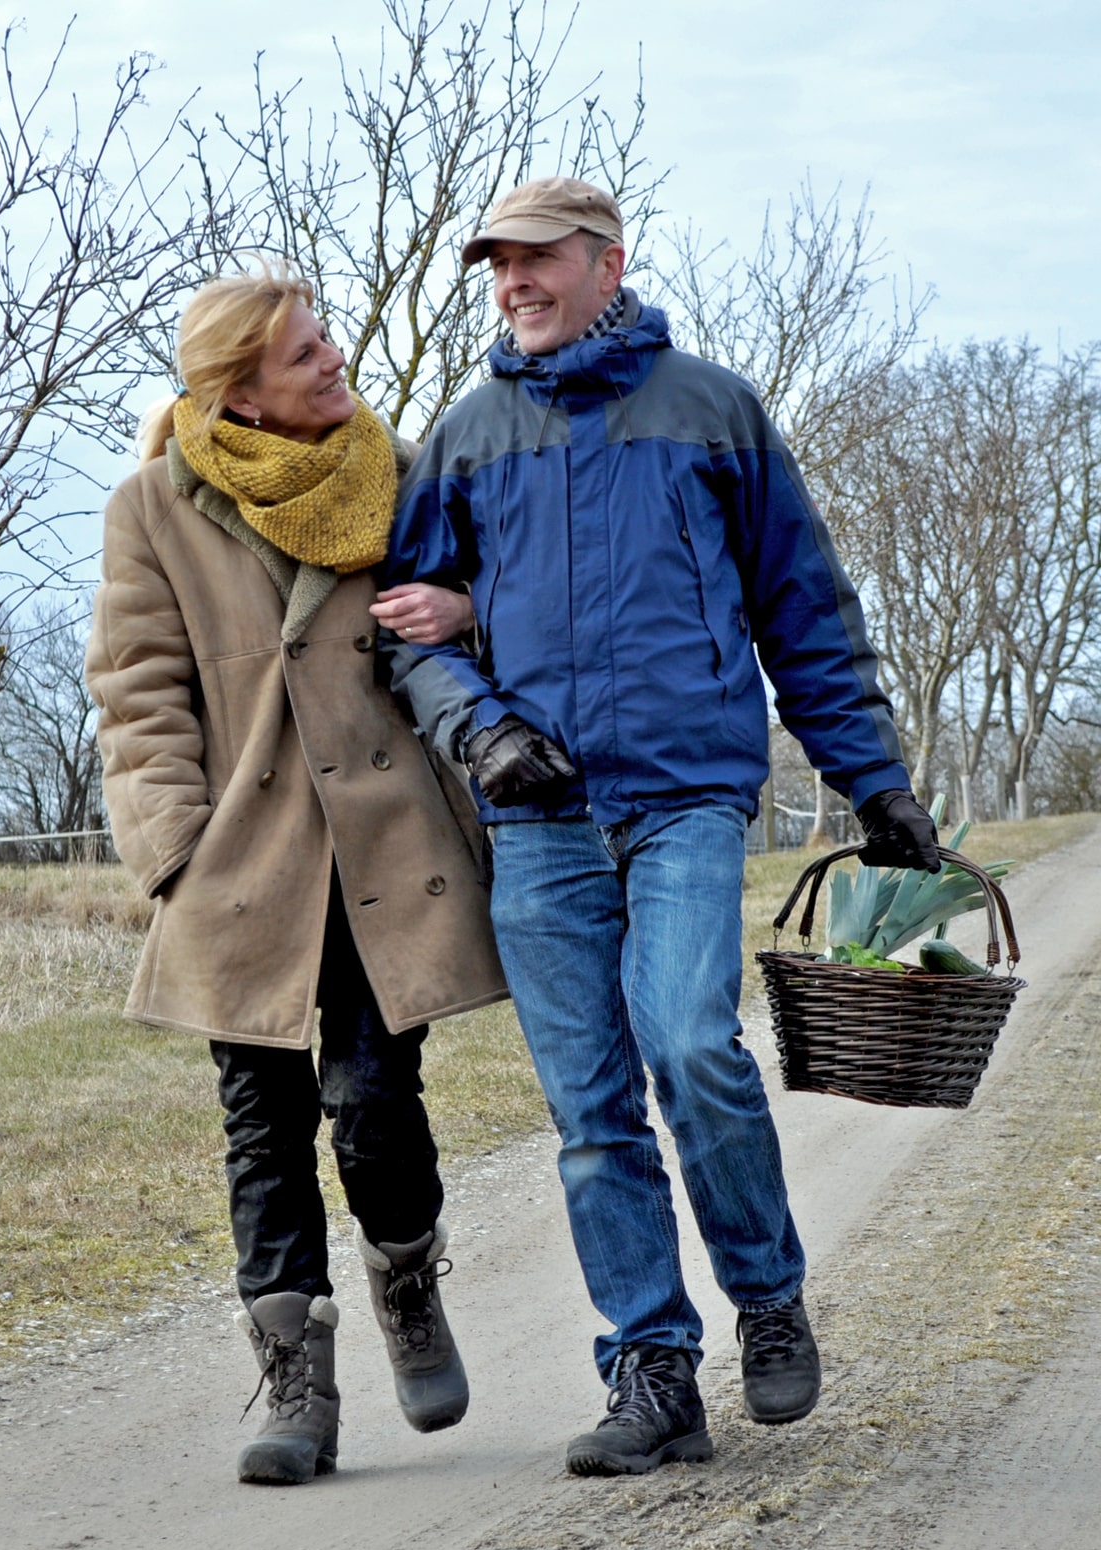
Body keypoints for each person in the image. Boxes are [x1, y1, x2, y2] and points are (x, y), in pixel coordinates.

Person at [380, 177, 942, 1477]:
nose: (513, 283)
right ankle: (652, 1370)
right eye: (497, 267)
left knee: (691, 1044)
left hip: (687, 797)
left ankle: (767, 1297)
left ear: (604, 260)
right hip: (541, 822)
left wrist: (875, 779)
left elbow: (802, 609)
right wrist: (480, 731)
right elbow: (413, 625)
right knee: (589, 1114)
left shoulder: (712, 410)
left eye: (536, 261)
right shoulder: (465, 437)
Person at [85, 263, 507, 1486]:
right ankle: (294, 1380)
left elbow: (479, 608)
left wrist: (464, 611)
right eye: (304, 355)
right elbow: (136, 687)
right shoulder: (153, 507)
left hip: (386, 846)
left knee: (372, 1104)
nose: (334, 362)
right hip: (243, 859)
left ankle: (405, 1274)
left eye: (325, 342)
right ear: (242, 396)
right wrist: (170, 846)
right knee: (261, 1126)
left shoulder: (399, 471)